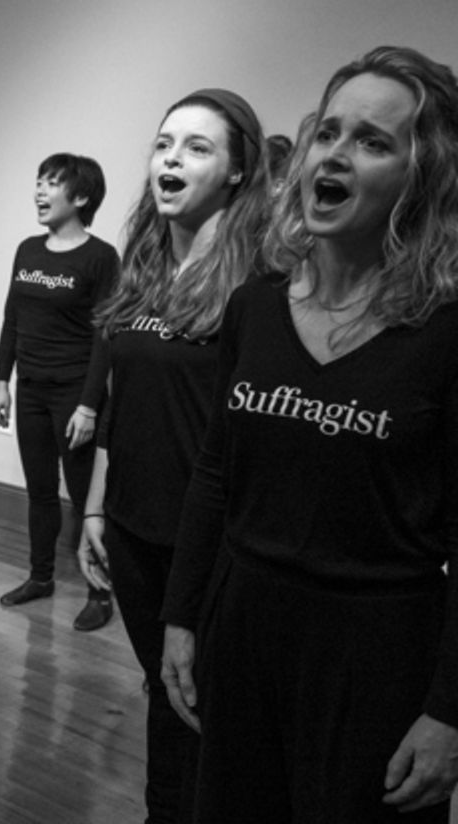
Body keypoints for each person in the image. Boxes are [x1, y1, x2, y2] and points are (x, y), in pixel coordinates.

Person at [161, 46, 458, 823]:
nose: (335, 153)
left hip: (379, 657)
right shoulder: (254, 308)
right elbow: (216, 475)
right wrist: (182, 618)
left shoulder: (444, 332)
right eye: (329, 131)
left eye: (373, 141)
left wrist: (451, 712)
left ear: (422, 176)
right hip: (244, 629)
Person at [77, 89, 269, 823]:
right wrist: (95, 502)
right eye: (163, 145)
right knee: (164, 692)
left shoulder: (263, 277)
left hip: (214, 539)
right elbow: (122, 394)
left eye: (195, 147)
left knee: (211, 708)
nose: (171, 159)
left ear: (237, 172)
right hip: (132, 524)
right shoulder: (145, 262)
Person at [0, 153, 119, 632]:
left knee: (87, 496)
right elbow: (12, 318)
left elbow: (104, 335)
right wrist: (2, 380)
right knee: (40, 490)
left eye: (51, 184)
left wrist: (89, 405)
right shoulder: (28, 249)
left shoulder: (99, 257)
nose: (39, 192)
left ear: (81, 196)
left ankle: (99, 593)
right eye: (38, 182)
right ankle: (40, 577)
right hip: (30, 392)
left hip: (74, 394)